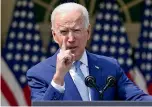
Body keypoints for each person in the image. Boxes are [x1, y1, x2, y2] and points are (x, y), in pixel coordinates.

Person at [26, 2, 152, 101]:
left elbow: (136, 98)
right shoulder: (38, 73)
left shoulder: (110, 66)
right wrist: (59, 77)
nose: (71, 39)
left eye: (76, 31)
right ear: (54, 35)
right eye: (64, 32)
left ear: (88, 32)